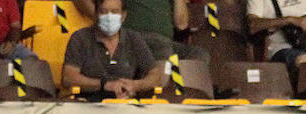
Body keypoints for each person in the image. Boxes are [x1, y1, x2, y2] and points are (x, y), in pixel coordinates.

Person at [61, 0, 167, 99]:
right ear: (96, 14)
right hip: (87, 105)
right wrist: (104, 85)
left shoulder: (133, 39)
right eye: (104, 12)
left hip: (125, 106)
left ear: (123, 15)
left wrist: (135, 85)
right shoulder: (80, 38)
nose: (109, 17)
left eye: (115, 12)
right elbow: (68, 78)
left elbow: (155, 76)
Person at [75, 0, 211, 65]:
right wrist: (104, 19)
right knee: (161, 46)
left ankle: (183, 97)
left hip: (164, 42)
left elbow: (181, 24)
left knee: (198, 55)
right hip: (131, 37)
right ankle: (159, 100)